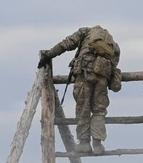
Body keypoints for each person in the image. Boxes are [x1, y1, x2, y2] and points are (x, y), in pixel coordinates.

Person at [38, 26, 122, 155]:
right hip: (102, 77)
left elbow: (66, 44)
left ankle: (84, 143)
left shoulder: (85, 32)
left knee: (83, 108)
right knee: (99, 110)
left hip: (84, 74)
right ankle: (98, 144)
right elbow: (114, 65)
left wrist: (48, 55)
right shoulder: (113, 45)